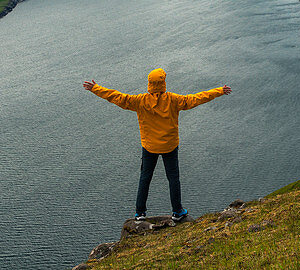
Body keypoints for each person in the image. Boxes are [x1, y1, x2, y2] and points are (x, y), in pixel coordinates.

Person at [83, 68, 231, 221]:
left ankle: (140, 213)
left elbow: (117, 97)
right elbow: (197, 98)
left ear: (150, 84)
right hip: (169, 146)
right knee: (173, 178)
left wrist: (95, 88)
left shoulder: (140, 101)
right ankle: (177, 211)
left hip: (149, 147)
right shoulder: (173, 100)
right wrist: (219, 91)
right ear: (163, 83)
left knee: (145, 178)